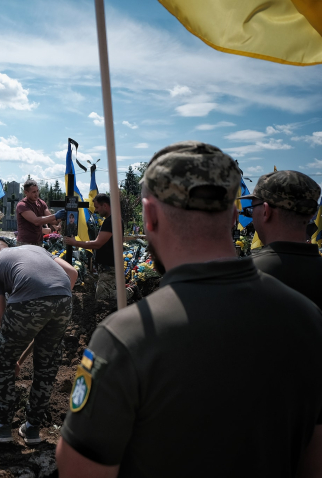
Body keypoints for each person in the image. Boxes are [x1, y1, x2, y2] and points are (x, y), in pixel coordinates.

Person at [56, 141, 322, 478]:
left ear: (150, 215)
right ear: (231, 215)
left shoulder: (127, 336)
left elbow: (80, 470)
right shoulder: (308, 317)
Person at [0, 240, 77, 445]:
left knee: (1, 356)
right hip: (64, 299)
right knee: (47, 365)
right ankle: (32, 428)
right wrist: (52, 305)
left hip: (28, 301)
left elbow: (0, 316)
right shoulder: (36, 248)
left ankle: (2, 426)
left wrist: (9, 356)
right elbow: (72, 273)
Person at [240, 170, 322, 309]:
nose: (251, 216)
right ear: (312, 214)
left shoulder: (242, 275)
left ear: (266, 211)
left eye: (252, 209)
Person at [64, 194, 137, 301]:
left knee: (102, 296)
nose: (96, 211)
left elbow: (97, 244)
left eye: (97, 207)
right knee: (104, 293)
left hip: (109, 266)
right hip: (108, 265)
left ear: (105, 206)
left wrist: (75, 243)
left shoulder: (111, 221)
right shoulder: (113, 219)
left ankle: (131, 292)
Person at [16, 179, 61, 246]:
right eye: (33, 192)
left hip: (38, 242)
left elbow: (52, 221)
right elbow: (36, 221)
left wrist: (62, 217)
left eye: (37, 191)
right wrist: (55, 216)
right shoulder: (22, 205)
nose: (36, 194)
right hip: (24, 243)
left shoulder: (41, 203)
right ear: (26, 192)